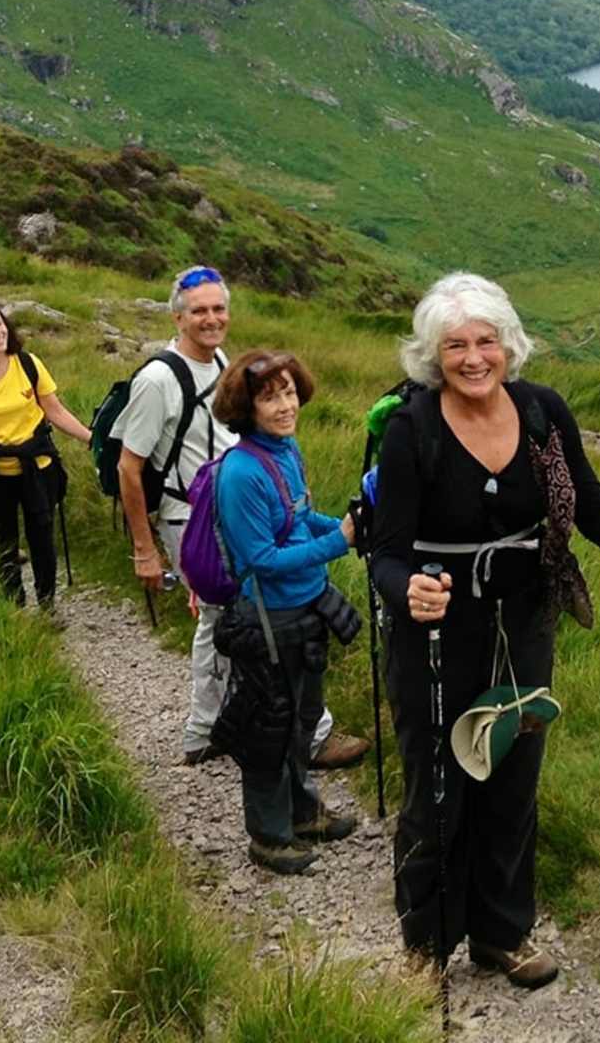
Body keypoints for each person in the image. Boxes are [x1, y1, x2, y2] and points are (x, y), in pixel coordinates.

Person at [370, 273, 600, 989]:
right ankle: (425, 945)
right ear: (432, 355)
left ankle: (502, 935)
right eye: (456, 345)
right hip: (439, 630)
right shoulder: (410, 430)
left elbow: (592, 508)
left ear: (509, 346)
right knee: (438, 785)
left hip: (526, 620)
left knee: (512, 779)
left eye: (486, 342)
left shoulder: (543, 412)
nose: (473, 358)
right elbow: (386, 551)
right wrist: (406, 590)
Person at [112, 264, 365, 768]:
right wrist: (145, 549)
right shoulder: (159, 378)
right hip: (193, 520)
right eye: (199, 311)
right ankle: (306, 736)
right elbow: (128, 466)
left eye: (219, 308)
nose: (211, 319)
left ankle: (207, 731)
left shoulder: (222, 362)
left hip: (227, 514)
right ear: (177, 317)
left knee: (219, 622)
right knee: (252, 621)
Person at [211, 349, 359, 874]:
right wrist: (338, 542)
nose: (284, 404)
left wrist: (340, 524)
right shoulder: (241, 473)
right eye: (269, 396)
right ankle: (269, 838)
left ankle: (301, 812)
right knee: (269, 730)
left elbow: (297, 520)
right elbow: (261, 559)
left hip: (309, 608)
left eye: (289, 391)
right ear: (245, 408)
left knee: (301, 722)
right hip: (268, 619)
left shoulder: (286, 450)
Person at [0, 302, 92, 613]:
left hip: (37, 467)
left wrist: (92, 439)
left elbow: (55, 411)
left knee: (42, 536)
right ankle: (15, 605)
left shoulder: (28, 364)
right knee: (4, 542)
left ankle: (48, 603)